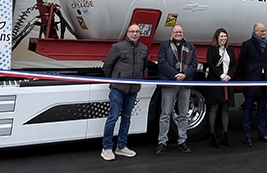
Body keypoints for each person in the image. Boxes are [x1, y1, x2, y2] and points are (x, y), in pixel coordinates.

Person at [99, 24, 148, 161]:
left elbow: (143, 66)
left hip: (133, 89)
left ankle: (121, 146)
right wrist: (116, 80)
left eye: (137, 32)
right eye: (132, 31)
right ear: (127, 33)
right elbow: (108, 66)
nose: (135, 34)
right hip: (118, 89)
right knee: (113, 117)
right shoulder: (118, 47)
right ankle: (107, 148)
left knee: (126, 117)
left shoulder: (143, 49)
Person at [156, 24, 198, 154]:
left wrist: (184, 75)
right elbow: (162, 63)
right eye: (176, 32)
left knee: (183, 114)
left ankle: (182, 141)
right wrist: (176, 75)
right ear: (172, 33)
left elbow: (194, 64)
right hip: (170, 83)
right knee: (165, 114)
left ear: (183, 33)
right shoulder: (164, 46)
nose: (178, 34)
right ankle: (162, 142)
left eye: (180, 32)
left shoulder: (190, 46)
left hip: (185, 83)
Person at [237, 23, 267, 145]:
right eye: (262, 31)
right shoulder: (247, 45)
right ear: (256, 31)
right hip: (251, 81)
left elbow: (266, 61)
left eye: (265, 31)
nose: (264, 33)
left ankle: (262, 133)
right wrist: (245, 77)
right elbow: (242, 62)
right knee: (248, 108)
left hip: (263, 81)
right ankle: (248, 135)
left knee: (262, 109)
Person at [204, 27, 237, 148]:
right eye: (221, 36)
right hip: (215, 82)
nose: (223, 38)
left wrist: (229, 76)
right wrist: (221, 75)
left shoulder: (231, 50)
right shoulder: (212, 50)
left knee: (225, 108)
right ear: (217, 38)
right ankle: (212, 136)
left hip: (227, 83)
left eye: (225, 36)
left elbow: (234, 65)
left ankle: (225, 135)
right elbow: (211, 64)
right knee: (214, 108)